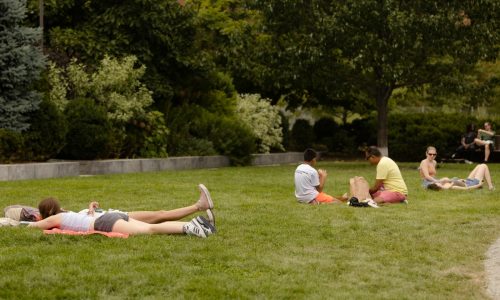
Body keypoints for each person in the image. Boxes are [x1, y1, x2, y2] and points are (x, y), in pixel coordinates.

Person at [28, 184, 217, 238]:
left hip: (106, 221)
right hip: (111, 217)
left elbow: (35, 226)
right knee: (150, 225)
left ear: (46, 213)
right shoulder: (65, 215)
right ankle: (198, 224)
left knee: (149, 229)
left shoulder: (58, 218)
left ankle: (192, 227)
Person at [427, 164, 495, 191]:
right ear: (437, 186)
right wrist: (479, 185)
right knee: (484, 166)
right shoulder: (450, 187)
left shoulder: (444, 184)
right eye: (435, 183)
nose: (436, 182)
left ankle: (489, 186)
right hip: (472, 183)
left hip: (467, 181)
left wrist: (460, 180)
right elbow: (466, 188)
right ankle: (490, 187)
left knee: (479, 166)